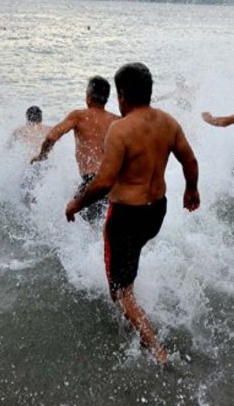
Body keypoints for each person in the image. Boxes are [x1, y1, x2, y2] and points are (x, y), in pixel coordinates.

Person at [65, 62, 200, 364]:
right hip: (156, 213)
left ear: (123, 94)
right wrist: (191, 190)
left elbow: (103, 182)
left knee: (119, 292)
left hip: (125, 215)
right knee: (128, 265)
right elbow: (189, 160)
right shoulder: (168, 122)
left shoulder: (121, 129)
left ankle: (158, 351)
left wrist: (76, 203)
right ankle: (134, 306)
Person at [32, 76, 118, 221]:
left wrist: (42, 155)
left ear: (88, 97)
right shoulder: (117, 120)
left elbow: (52, 136)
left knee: (76, 226)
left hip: (91, 184)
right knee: (102, 231)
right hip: (113, 185)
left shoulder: (79, 116)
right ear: (106, 99)